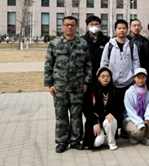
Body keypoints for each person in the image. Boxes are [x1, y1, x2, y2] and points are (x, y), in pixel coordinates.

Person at [44, 15, 92, 153]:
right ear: (62, 26)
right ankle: (62, 141)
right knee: (61, 116)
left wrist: (86, 82)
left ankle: (76, 140)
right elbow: (48, 65)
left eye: (72, 24)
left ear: (76, 27)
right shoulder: (55, 44)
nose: (69, 27)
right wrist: (50, 84)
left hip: (77, 87)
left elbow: (88, 65)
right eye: (67, 24)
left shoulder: (82, 44)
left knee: (76, 116)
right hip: (60, 87)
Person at [100, 19, 141, 140]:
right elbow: (104, 63)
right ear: (115, 30)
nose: (121, 30)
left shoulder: (132, 45)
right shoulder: (109, 45)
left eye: (124, 28)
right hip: (113, 83)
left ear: (127, 30)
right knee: (113, 107)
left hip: (128, 83)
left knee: (127, 108)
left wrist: (135, 78)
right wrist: (105, 79)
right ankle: (113, 130)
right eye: (119, 28)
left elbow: (136, 62)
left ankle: (125, 130)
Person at [82, 66, 119, 150]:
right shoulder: (91, 91)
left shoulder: (114, 91)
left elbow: (118, 107)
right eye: (103, 76)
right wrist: (95, 123)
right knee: (97, 143)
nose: (105, 78)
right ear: (98, 78)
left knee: (110, 121)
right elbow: (87, 110)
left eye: (108, 76)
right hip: (96, 121)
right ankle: (104, 136)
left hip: (108, 120)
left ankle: (111, 142)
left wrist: (112, 114)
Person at [123, 68, 149, 145]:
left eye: (143, 78)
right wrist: (140, 123)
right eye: (138, 78)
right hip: (131, 118)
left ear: (146, 78)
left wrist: (148, 117)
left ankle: (147, 137)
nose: (141, 80)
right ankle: (132, 135)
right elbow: (130, 111)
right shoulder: (129, 92)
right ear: (134, 78)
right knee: (139, 132)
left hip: (145, 117)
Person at [82, 15, 110, 86]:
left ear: (100, 25)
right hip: (86, 76)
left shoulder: (107, 40)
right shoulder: (82, 41)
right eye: (91, 24)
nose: (94, 26)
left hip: (102, 76)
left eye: (96, 24)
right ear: (87, 26)